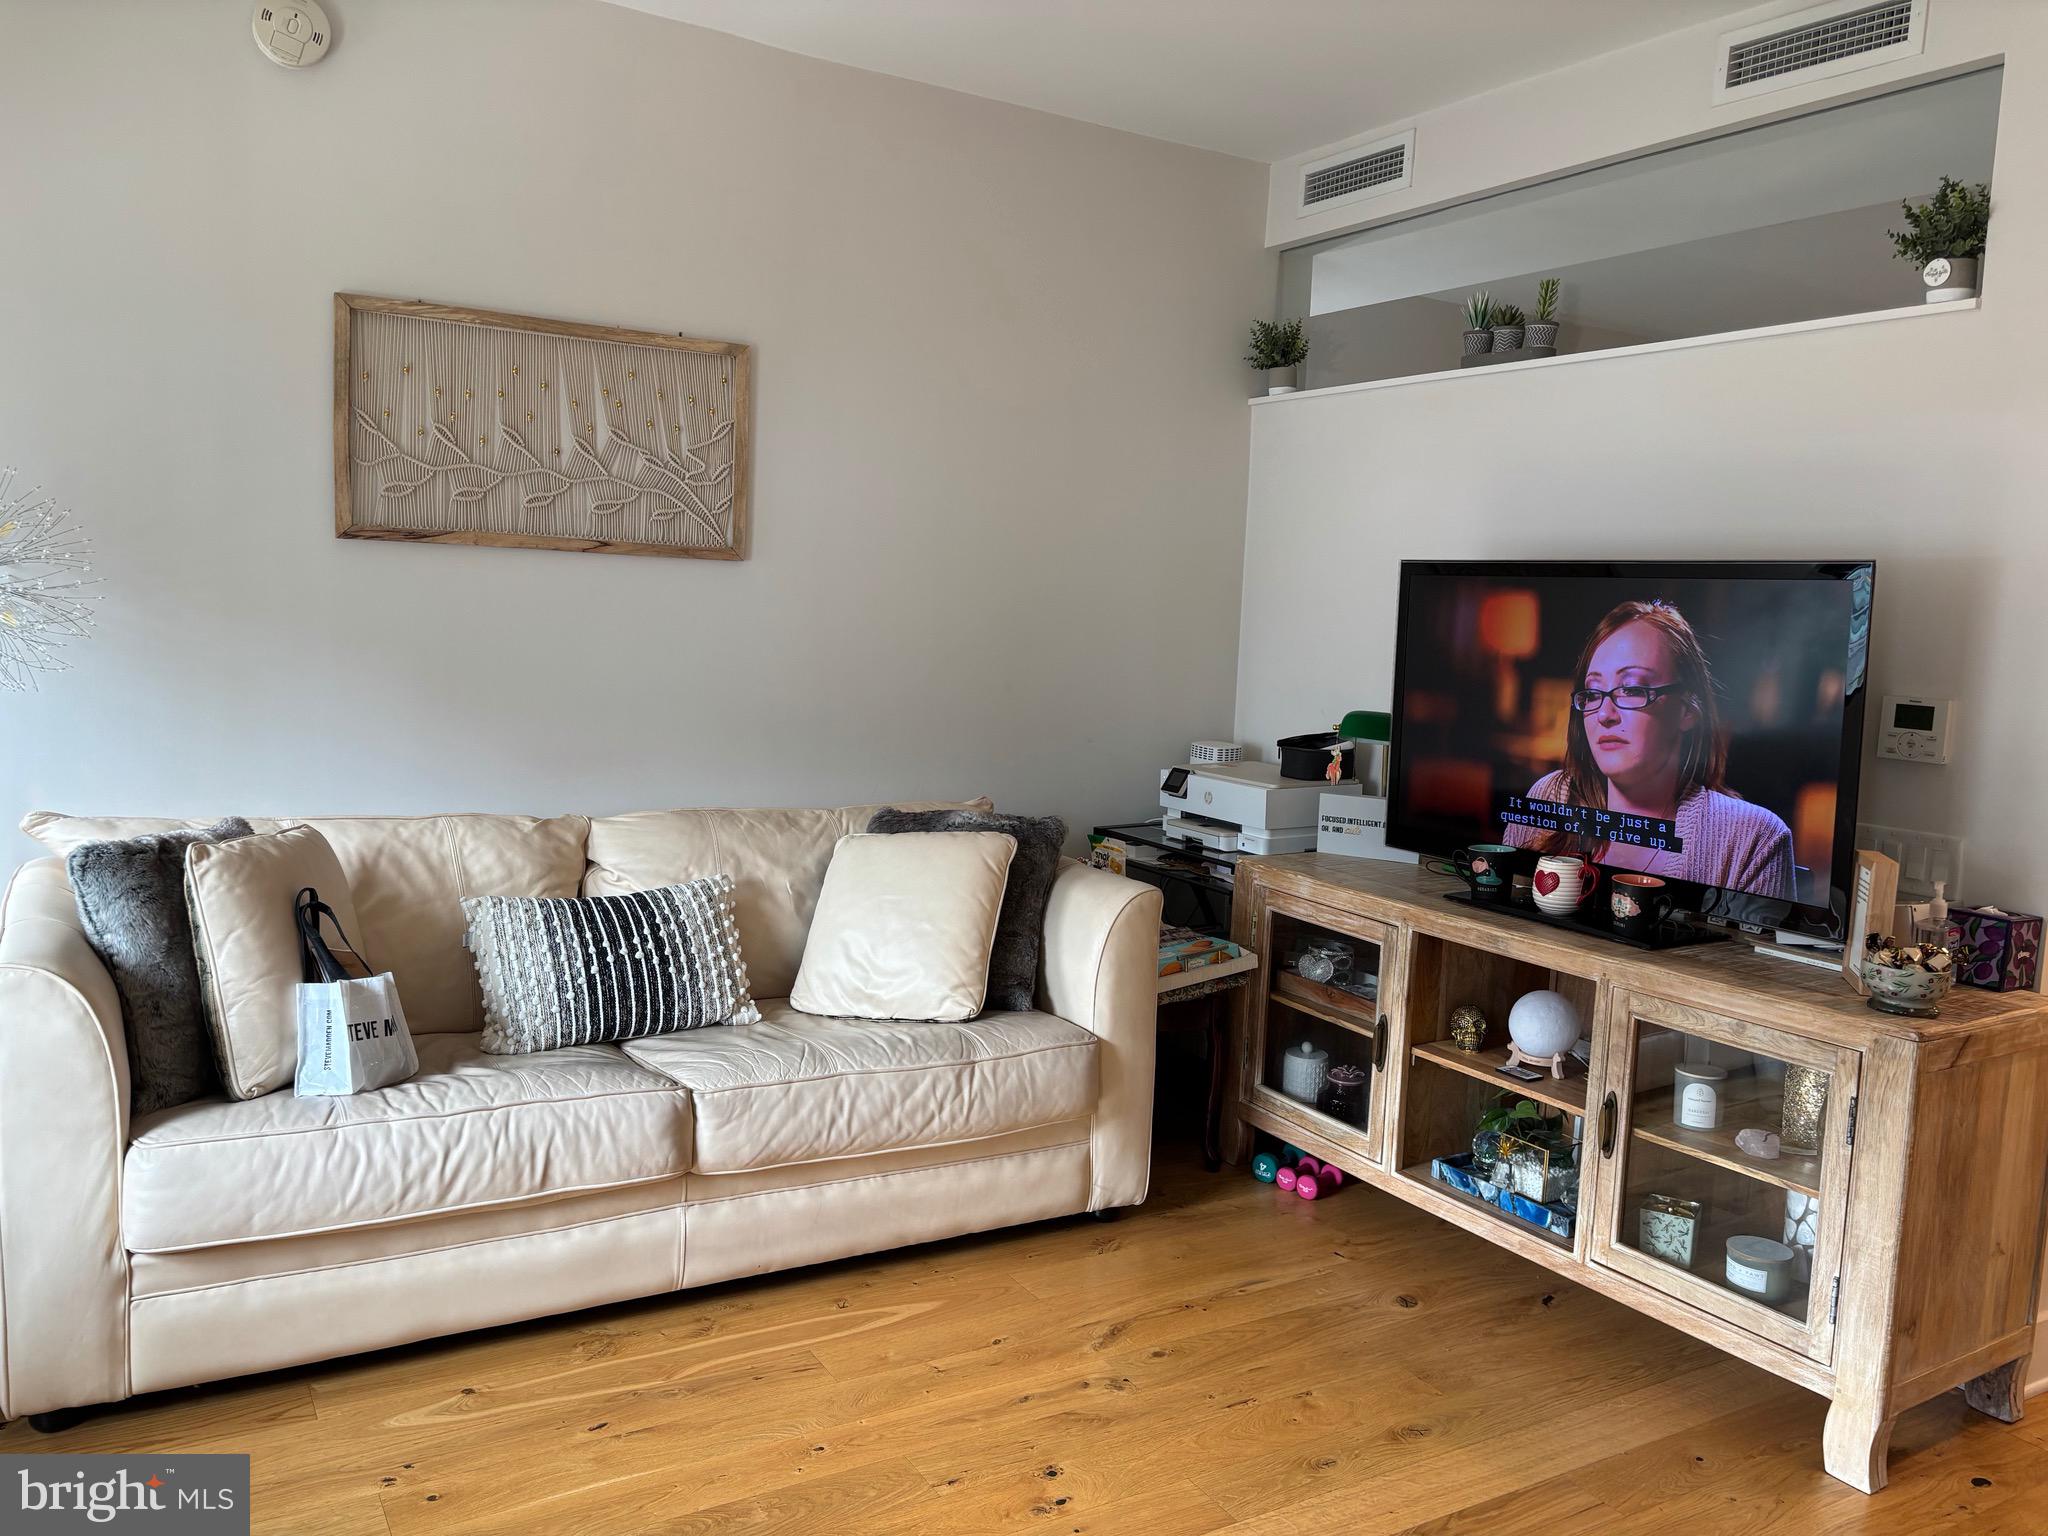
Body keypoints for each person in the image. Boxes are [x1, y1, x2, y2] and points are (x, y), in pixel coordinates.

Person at [1503, 598, 1796, 901]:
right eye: (1592, 693)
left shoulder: (1754, 838)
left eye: (1632, 689)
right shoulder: (1550, 797)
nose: (1604, 714)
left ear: (1687, 710)